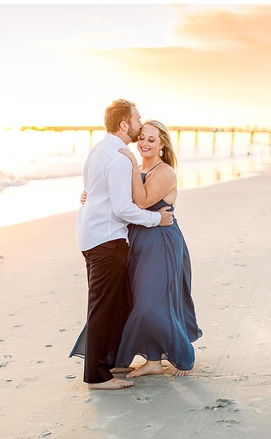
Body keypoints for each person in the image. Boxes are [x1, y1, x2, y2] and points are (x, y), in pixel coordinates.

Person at [70, 99, 174, 391]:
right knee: (102, 307)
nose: (140, 125)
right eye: (137, 120)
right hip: (106, 238)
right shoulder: (117, 157)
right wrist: (156, 220)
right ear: (125, 123)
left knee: (115, 304)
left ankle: (109, 361)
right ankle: (96, 376)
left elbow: (94, 192)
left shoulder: (99, 150)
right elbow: (123, 208)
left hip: (92, 235)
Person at [114, 120, 202, 377]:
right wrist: (91, 196)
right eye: (141, 137)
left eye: (151, 140)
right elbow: (121, 201)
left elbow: (141, 201)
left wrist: (130, 164)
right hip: (138, 240)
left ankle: (184, 355)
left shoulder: (164, 172)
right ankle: (153, 360)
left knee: (151, 305)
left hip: (161, 242)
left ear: (162, 145)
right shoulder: (141, 168)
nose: (143, 143)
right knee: (140, 300)